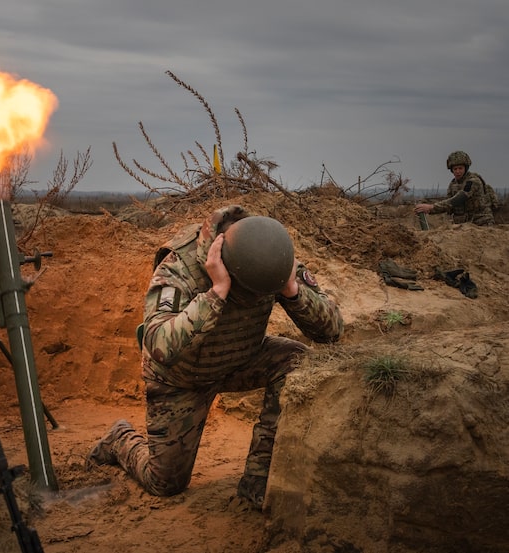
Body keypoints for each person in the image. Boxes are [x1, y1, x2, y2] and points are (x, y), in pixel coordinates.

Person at [87, 205, 344, 509]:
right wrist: (218, 292)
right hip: (181, 379)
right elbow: (158, 346)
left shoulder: (268, 257)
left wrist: (291, 289)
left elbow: (332, 331)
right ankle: (119, 438)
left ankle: (257, 479)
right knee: (166, 483)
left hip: (240, 359)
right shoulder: (178, 268)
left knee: (295, 359)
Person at [414, 151, 495, 226]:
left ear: (465, 168)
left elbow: (459, 198)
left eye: (460, 168)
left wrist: (432, 207)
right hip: (463, 224)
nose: (458, 171)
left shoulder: (473, 181)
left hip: (481, 223)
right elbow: (447, 203)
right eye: (455, 169)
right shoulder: (453, 184)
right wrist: (427, 206)